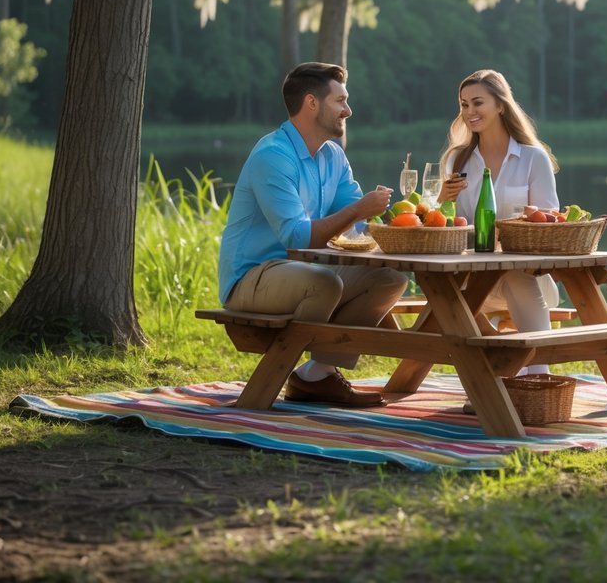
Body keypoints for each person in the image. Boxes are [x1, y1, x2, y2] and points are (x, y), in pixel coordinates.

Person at [218, 62, 407, 406]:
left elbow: (362, 223)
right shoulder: (273, 156)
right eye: (340, 101)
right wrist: (358, 210)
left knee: (389, 278)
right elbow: (297, 238)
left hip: (302, 271)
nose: (348, 110)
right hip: (253, 276)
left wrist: (413, 221)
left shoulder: (332, 155)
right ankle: (272, 380)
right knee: (324, 283)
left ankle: (317, 374)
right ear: (311, 103)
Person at [436, 69, 560, 375]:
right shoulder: (456, 160)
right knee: (440, 289)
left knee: (516, 274)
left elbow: (549, 222)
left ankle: (538, 376)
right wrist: (442, 201)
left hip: (528, 277)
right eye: (464, 105)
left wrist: (523, 223)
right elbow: (443, 224)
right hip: (471, 280)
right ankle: (495, 374)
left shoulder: (533, 158)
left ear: (501, 106)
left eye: (478, 103)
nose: (469, 112)